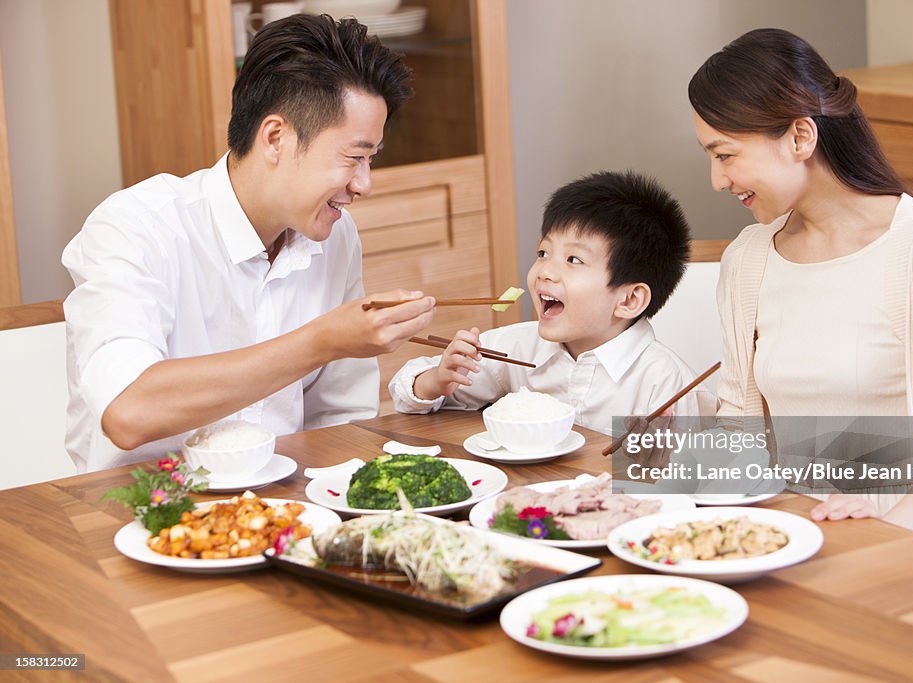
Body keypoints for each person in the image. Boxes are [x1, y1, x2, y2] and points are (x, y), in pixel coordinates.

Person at [62, 15, 435, 472]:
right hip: (139, 512)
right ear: (276, 138)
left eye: (371, 159)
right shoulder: (135, 227)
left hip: (283, 510)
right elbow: (128, 411)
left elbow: (342, 421)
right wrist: (322, 341)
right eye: (353, 157)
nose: (364, 184)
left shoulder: (334, 236)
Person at [689, 28, 913, 554]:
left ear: (800, 137)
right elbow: (740, 431)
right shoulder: (748, 260)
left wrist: (884, 537)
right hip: (795, 534)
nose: (717, 179)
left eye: (725, 155)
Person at [389, 170, 717, 435]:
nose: (545, 271)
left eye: (573, 260)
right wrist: (438, 380)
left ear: (629, 299)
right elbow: (406, 390)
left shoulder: (664, 380)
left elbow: (686, 476)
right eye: (544, 253)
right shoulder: (516, 346)